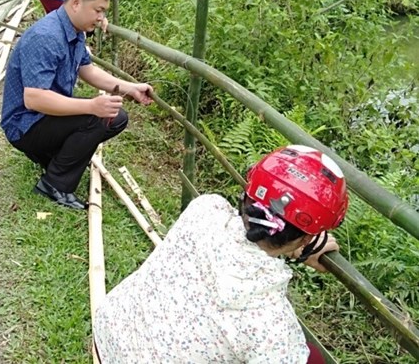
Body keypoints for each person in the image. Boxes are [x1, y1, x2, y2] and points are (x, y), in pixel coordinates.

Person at [94, 145, 349, 363]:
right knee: (311, 358)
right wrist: (297, 247)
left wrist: (294, 244)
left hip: (109, 334)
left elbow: (254, 236)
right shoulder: (273, 326)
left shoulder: (205, 208)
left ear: (248, 194)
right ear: (308, 236)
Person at [1, 0, 153, 210]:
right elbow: (33, 99)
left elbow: (88, 71)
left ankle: (53, 159)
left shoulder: (74, 30)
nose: (101, 18)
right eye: (98, 10)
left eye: (103, 11)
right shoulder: (46, 36)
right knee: (97, 116)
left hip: (43, 117)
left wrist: (131, 88)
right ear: (75, 3)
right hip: (24, 124)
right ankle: (54, 184)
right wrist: (92, 106)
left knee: (116, 117)